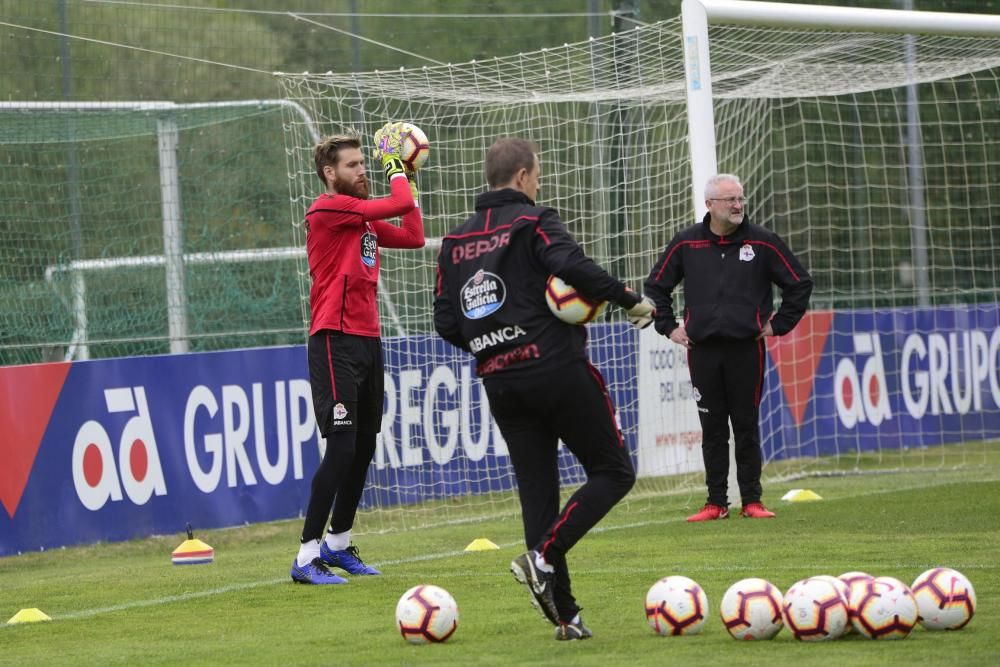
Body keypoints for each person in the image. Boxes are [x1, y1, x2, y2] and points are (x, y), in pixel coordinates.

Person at [433, 137, 655, 640]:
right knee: (614, 472)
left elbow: (447, 321)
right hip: (554, 367)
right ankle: (543, 556)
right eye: (537, 175)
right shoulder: (534, 220)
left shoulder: (453, 243)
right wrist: (627, 299)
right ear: (524, 176)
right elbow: (573, 268)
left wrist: (492, 343)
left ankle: (567, 618)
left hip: (499, 381)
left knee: (538, 496)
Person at [291, 125, 425, 584]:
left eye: (365, 163)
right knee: (342, 446)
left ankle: (338, 544)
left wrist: (405, 172)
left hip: (368, 339)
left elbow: (413, 234)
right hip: (334, 337)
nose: (362, 170)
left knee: (364, 446)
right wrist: (396, 169)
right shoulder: (328, 207)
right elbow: (400, 203)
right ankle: (306, 556)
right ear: (330, 173)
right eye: (354, 165)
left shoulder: (361, 220)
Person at [644, 173, 813, 522]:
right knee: (712, 428)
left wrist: (777, 325)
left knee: (746, 426)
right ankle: (716, 502)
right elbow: (656, 287)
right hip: (702, 350)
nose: (738, 206)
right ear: (710, 205)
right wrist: (669, 327)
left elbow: (799, 284)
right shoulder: (687, 243)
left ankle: (751, 499)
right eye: (730, 200)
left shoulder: (763, 242)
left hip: (746, 350)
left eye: (740, 199)